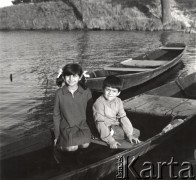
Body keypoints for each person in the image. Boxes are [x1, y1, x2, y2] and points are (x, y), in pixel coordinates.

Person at [93, 75, 140, 149]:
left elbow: (123, 117)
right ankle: (102, 136)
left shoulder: (118, 101)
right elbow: (100, 122)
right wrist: (110, 141)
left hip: (115, 125)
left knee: (135, 132)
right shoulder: (99, 103)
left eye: (114, 91)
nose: (110, 93)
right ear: (103, 89)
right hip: (105, 126)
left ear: (118, 93)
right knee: (127, 133)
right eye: (108, 90)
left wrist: (130, 134)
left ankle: (114, 135)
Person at [53, 63, 92, 152]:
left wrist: (91, 129)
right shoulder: (59, 93)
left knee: (85, 144)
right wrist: (57, 135)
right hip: (67, 126)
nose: (71, 79)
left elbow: (90, 112)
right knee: (71, 148)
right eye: (68, 76)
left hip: (82, 125)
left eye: (74, 76)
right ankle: (60, 146)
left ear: (80, 77)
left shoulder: (86, 92)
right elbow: (56, 115)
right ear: (63, 77)